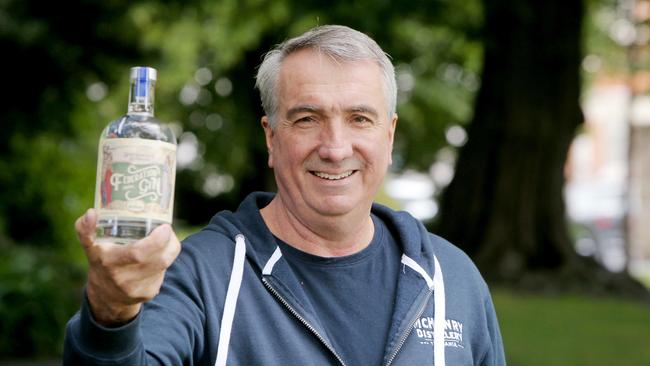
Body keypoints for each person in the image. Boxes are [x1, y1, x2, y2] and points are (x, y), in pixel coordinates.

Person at [64, 25, 506, 366]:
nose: (335, 148)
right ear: (271, 139)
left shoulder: (453, 278)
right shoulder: (198, 275)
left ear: (388, 137)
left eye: (359, 119)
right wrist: (111, 313)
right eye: (307, 119)